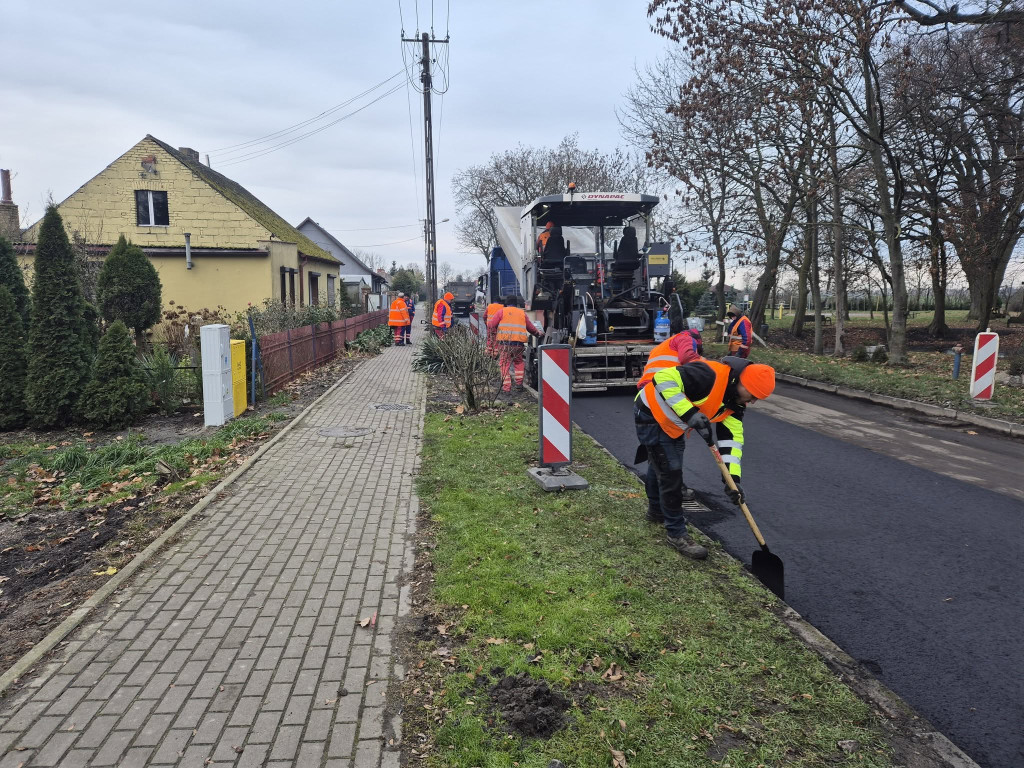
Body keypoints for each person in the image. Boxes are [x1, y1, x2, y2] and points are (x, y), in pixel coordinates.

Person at [634, 356, 776, 559]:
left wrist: (732, 480)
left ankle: (656, 511)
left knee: (662, 463)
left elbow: (733, 440)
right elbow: (662, 378)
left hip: (673, 423)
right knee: (671, 473)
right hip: (651, 414)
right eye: (752, 395)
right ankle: (676, 533)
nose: (753, 401)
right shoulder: (708, 374)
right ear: (741, 383)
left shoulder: (736, 403)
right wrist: (690, 414)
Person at [487, 296, 543, 392]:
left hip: (504, 344)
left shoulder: (501, 312)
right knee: (519, 362)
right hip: (518, 344)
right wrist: (538, 333)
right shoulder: (522, 313)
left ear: (506, 304)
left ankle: (506, 388)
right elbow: (530, 328)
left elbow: (491, 325)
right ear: (516, 304)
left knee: (504, 364)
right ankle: (519, 384)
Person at [637, 318, 704, 389]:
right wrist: (707, 365)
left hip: (647, 387)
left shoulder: (665, 344)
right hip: (664, 384)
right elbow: (687, 357)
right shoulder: (686, 338)